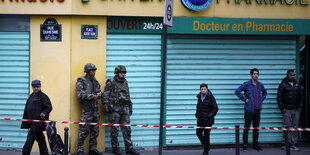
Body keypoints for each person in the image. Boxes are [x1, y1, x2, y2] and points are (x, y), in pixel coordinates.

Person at [102, 65, 139, 155]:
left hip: (124, 109)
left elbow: (127, 95)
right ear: (117, 73)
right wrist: (105, 107)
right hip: (114, 109)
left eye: (124, 73)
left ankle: (129, 148)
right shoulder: (110, 83)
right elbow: (105, 96)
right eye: (121, 73)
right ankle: (116, 149)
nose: (123, 75)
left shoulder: (125, 82)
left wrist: (130, 106)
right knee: (115, 130)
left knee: (127, 129)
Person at [235, 68, 267, 151]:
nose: (256, 75)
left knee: (256, 128)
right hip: (249, 109)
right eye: (254, 74)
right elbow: (237, 91)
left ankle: (255, 145)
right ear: (251, 75)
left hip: (257, 110)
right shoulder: (247, 84)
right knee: (247, 128)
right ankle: (245, 144)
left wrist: (261, 100)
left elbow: (265, 92)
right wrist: (245, 99)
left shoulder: (260, 85)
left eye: (257, 74)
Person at [76, 63, 102, 155]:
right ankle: (80, 150)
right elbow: (80, 95)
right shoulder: (81, 81)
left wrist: (100, 94)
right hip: (86, 111)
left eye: (94, 70)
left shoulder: (95, 82)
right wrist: (92, 96)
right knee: (83, 131)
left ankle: (93, 149)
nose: (94, 72)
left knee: (95, 131)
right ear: (87, 71)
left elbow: (99, 91)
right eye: (92, 70)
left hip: (95, 110)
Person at [21, 80, 52, 155]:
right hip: (31, 122)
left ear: (40, 86)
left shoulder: (43, 96)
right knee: (40, 139)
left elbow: (49, 107)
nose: (36, 88)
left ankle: (25, 153)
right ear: (32, 87)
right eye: (34, 87)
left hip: (38, 122)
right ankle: (44, 153)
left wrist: (44, 113)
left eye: (37, 87)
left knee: (30, 139)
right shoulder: (31, 96)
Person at [277, 69, 303, 151]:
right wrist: (282, 108)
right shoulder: (283, 85)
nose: (293, 76)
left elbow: (301, 96)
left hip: (296, 110)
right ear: (287, 75)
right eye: (291, 75)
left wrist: (300, 107)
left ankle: (293, 144)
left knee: (295, 128)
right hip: (287, 110)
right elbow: (279, 97)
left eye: (294, 75)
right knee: (286, 127)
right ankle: (285, 144)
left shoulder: (297, 84)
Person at [195, 83, 218, 155]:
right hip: (200, 119)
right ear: (200, 90)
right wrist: (196, 114)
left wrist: (209, 115)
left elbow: (215, 108)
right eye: (202, 89)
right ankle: (206, 146)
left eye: (204, 89)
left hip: (208, 120)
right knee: (198, 133)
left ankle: (206, 151)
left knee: (206, 135)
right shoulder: (199, 97)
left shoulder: (211, 97)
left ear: (207, 89)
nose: (203, 90)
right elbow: (198, 107)